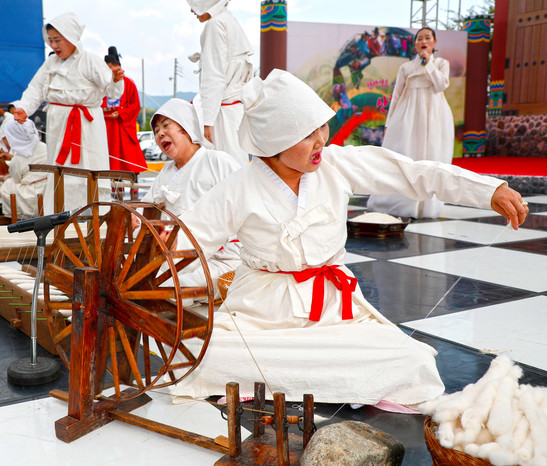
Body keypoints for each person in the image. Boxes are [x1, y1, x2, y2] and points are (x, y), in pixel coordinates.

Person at [166, 69, 528, 406]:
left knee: (412, 361)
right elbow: (188, 237)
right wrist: (150, 262)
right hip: (261, 313)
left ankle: (294, 375)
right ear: (275, 141)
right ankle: (321, 376)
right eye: (307, 134)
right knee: (205, 355)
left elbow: (411, 173)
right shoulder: (239, 186)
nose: (321, 140)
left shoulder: (336, 165)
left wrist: (487, 190)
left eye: (322, 128)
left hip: (333, 310)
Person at [13, 12, 124, 214]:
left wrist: (116, 80)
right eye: (51, 40)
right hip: (58, 122)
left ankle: (94, 211)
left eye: (58, 40)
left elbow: (111, 91)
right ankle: (60, 212)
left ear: (71, 36)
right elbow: (36, 88)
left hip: (87, 123)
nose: (54, 45)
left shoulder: (90, 60)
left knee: (89, 166)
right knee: (59, 167)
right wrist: (24, 108)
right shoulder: (50, 63)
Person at [142, 98, 242, 298]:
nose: (159, 133)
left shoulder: (217, 161)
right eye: (156, 130)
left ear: (186, 126)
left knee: (163, 289)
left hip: (220, 258)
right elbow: (144, 208)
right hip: (172, 256)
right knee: (138, 281)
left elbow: (243, 206)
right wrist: (135, 219)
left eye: (166, 125)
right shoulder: (166, 171)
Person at [367, 27, 455, 219]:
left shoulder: (441, 64)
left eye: (427, 38)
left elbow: (440, 85)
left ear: (434, 43)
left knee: (431, 156)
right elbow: (397, 96)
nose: (423, 41)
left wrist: (428, 63)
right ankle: (402, 202)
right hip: (409, 115)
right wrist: (389, 123)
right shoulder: (406, 68)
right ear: (415, 44)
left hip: (434, 116)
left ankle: (426, 205)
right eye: (419, 38)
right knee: (406, 153)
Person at [186, 0, 253, 165]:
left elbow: (214, 76)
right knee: (236, 163)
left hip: (222, 112)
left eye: (194, 4)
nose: (192, 11)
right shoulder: (228, 20)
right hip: (235, 109)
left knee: (223, 167)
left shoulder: (215, 25)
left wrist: (207, 121)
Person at [102, 46, 148, 175]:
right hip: (106, 124)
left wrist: (120, 113)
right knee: (108, 156)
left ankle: (133, 183)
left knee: (128, 157)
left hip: (123, 125)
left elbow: (135, 105)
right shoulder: (102, 84)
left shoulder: (129, 83)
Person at [0, 118, 48, 219]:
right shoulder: (45, 147)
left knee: (8, 185)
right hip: (49, 191)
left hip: (34, 196)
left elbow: (16, 179)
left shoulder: (18, 158)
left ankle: (21, 214)